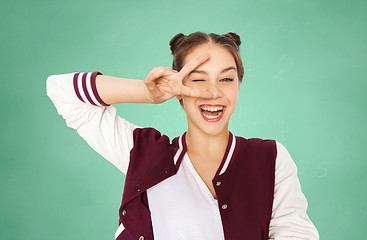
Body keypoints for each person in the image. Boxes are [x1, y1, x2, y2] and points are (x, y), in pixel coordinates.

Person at [47, 32, 319, 240]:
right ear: (177, 89)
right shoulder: (142, 153)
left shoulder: (270, 158)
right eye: (198, 80)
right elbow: (61, 91)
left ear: (239, 86)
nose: (213, 93)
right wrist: (148, 93)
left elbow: (294, 233)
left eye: (226, 79)